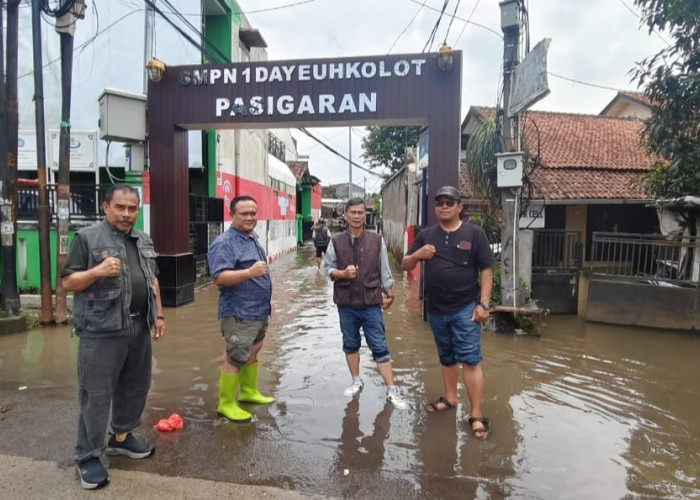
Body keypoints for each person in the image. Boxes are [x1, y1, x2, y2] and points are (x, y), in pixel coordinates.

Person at [61, 183, 165, 490]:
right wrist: (96, 272)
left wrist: (159, 315)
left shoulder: (142, 239)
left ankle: (121, 436)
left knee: (136, 385)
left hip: (139, 326)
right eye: (120, 207)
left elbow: (152, 278)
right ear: (106, 207)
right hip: (101, 331)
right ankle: (89, 456)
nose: (127, 214)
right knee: (96, 396)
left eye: (132, 208)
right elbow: (68, 281)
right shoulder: (87, 238)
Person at [401, 186, 495, 438]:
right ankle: (451, 399)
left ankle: (476, 414)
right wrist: (418, 254)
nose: (444, 206)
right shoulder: (427, 234)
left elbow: (486, 270)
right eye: (440, 202)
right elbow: (404, 262)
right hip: (436, 310)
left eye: (449, 202)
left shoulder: (474, 234)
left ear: (459, 207)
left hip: (465, 308)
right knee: (446, 356)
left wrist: (483, 304)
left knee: (471, 360)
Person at [324, 198, 408, 410]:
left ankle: (391, 390)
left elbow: (384, 269)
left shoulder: (376, 240)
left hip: (371, 302)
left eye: (361, 212)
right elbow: (328, 270)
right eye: (353, 212)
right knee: (350, 343)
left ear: (365, 215)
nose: (357, 216)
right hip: (346, 302)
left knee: (380, 347)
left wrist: (390, 293)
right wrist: (342, 273)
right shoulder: (335, 241)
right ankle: (356, 380)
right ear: (345, 214)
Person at [207, 195, 275, 423]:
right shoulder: (225, 242)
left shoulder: (251, 238)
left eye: (253, 213)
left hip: (258, 311)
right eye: (244, 213)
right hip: (239, 312)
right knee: (235, 356)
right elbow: (219, 277)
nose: (249, 217)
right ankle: (226, 404)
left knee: (253, 351)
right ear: (231, 214)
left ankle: (248, 392)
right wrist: (249, 273)